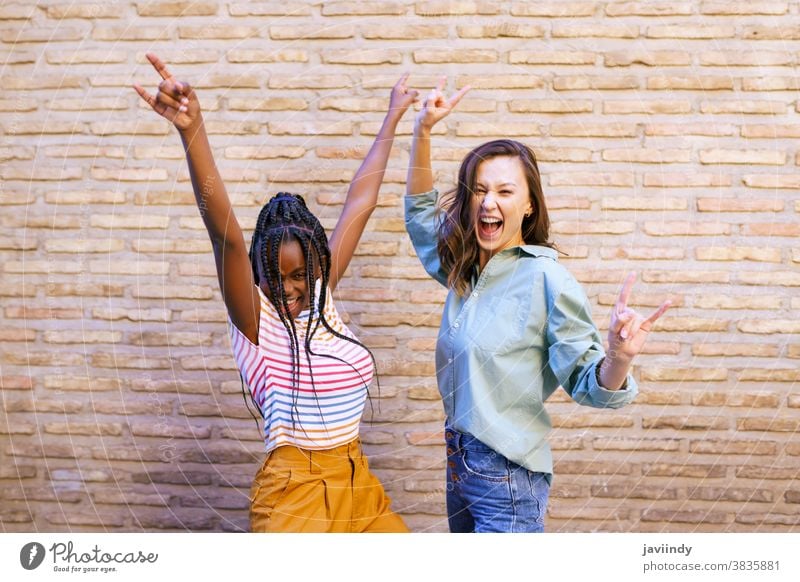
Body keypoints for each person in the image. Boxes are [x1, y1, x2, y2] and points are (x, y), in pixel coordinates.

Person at [135, 54, 417, 533]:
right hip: (294, 493)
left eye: (299, 275)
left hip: (357, 481)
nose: (288, 288)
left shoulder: (321, 294)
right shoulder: (256, 322)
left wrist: (393, 116)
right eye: (274, 275)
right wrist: (192, 129)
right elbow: (224, 232)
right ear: (257, 274)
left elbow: (361, 201)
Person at [404, 78, 671, 533]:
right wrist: (422, 132)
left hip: (508, 476)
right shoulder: (465, 271)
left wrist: (620, 358)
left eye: (505, 192)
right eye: (480, 190)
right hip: (459, 466)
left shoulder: (547, 279)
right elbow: (419, 213)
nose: (489, 202)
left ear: (529, 206)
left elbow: (588, 382)